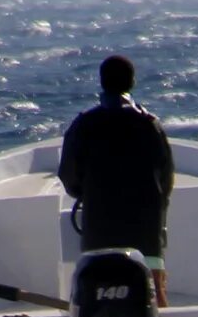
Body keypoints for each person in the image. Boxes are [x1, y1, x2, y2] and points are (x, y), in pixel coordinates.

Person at [58, 53, 176, 302]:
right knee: (155, 304)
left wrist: (87, 192)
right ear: (132, 82)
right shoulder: (150, 125)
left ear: (102, 83)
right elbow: (166, 182)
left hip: (99, 237)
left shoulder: (84, 125)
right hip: (147, 239)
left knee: (99, 302)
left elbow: (69, 177)